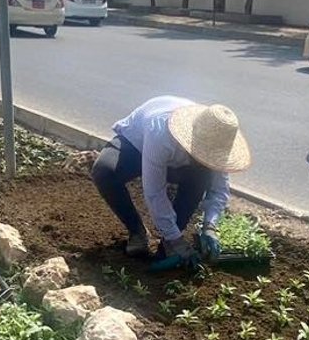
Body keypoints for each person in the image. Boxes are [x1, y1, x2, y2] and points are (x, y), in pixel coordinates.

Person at [91, 96, 252, 267]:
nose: (208, 161)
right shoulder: (160, 133)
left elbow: (219, 189)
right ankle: (138, 232)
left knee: (200, 177)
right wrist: (176, 240)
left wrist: (210, 226)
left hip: (175, 157)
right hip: (138, 144)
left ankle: (167, 245)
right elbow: (155, 192)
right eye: (203, 156)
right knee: (104, 171)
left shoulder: (217, 140)